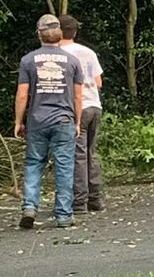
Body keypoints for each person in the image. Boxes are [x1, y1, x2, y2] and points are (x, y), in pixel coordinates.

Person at [13, 14, 81, 230]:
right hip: (63, 120)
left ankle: (30, 207)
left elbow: (23, 94)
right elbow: (78, 96)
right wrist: (77, 122)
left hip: (37, 121)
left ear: (39, 34)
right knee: (64, 166)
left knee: (34, 164)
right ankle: (63, 215)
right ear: (60, 34)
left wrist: (18, 121)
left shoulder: (28, 60)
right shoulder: (72, 61)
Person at [56, 13, 105, 213]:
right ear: (75, 32)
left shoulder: (58, 54)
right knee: (90, 153)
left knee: (77, 155)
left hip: (78, 107)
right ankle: (95, 199)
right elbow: (99, 82)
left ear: (58, 31)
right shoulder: (88, 52)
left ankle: (79, 202)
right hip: (95, 106)